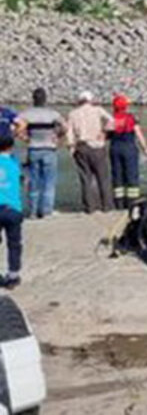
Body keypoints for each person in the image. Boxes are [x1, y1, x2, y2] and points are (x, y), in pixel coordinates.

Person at [18, 88, 66, 219]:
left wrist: (26, 138)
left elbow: (17, 128)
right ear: (45, 99)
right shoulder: (52, 114)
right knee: (49, 182)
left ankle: (33, 211)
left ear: (33, 99)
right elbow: (65, 126)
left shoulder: (26, 114)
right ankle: (46, 211)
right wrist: (58, 137)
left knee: (34, 182)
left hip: (34, 148)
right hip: (49, 148)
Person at [66, 91, 114, 213]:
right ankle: (107, 206)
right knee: (103, 178)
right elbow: (112, 121)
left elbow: (69, 133)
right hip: (98, 146)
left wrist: (71, 148)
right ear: (90, 100)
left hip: (81, 146)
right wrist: (104, 132)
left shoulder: (73, 113)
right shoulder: (98, 110)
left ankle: (89, 207)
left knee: (86, 179)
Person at [109, 94, 147, 210]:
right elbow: (138, 134)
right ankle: (132, 203)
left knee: (117, 176)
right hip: (129, 148)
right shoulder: (131, 118)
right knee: (131, 175)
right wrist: (145, 149)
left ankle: (119, 203)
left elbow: (105, 134)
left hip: (115, 148)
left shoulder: (111, 119)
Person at [0, 135, 24, 289]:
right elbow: (21, 179)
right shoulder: (14, 163)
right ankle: (13, 274)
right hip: (13, 208)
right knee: (14, 243)